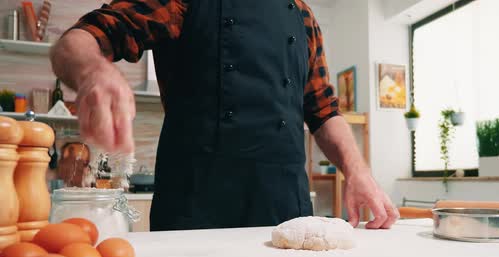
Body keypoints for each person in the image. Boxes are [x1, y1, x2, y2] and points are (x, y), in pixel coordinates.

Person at [50, 0, 399, 231]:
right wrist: (93, 71)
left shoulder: (302, 15)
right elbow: (78, 39)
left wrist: (358, 171)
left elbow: (323, 110)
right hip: (197, 210)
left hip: (286, 210)